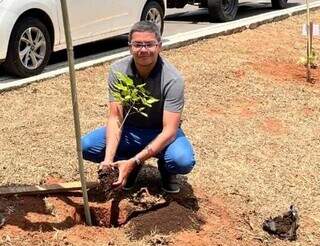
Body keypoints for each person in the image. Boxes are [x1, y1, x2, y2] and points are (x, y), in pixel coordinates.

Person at [81, 21, 195, 193]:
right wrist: (107, 160)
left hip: (160, 131)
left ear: (159, 46)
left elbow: (169, 130)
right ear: (130, 47)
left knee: (181, 160)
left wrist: (135, 160)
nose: (143, 50)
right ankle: (123, 165)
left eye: (149, 44)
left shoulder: (173, 79)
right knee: (86, 146)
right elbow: (115, 117)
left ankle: (166, 171)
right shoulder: (118, 71)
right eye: (137, 44)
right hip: (129, 130)